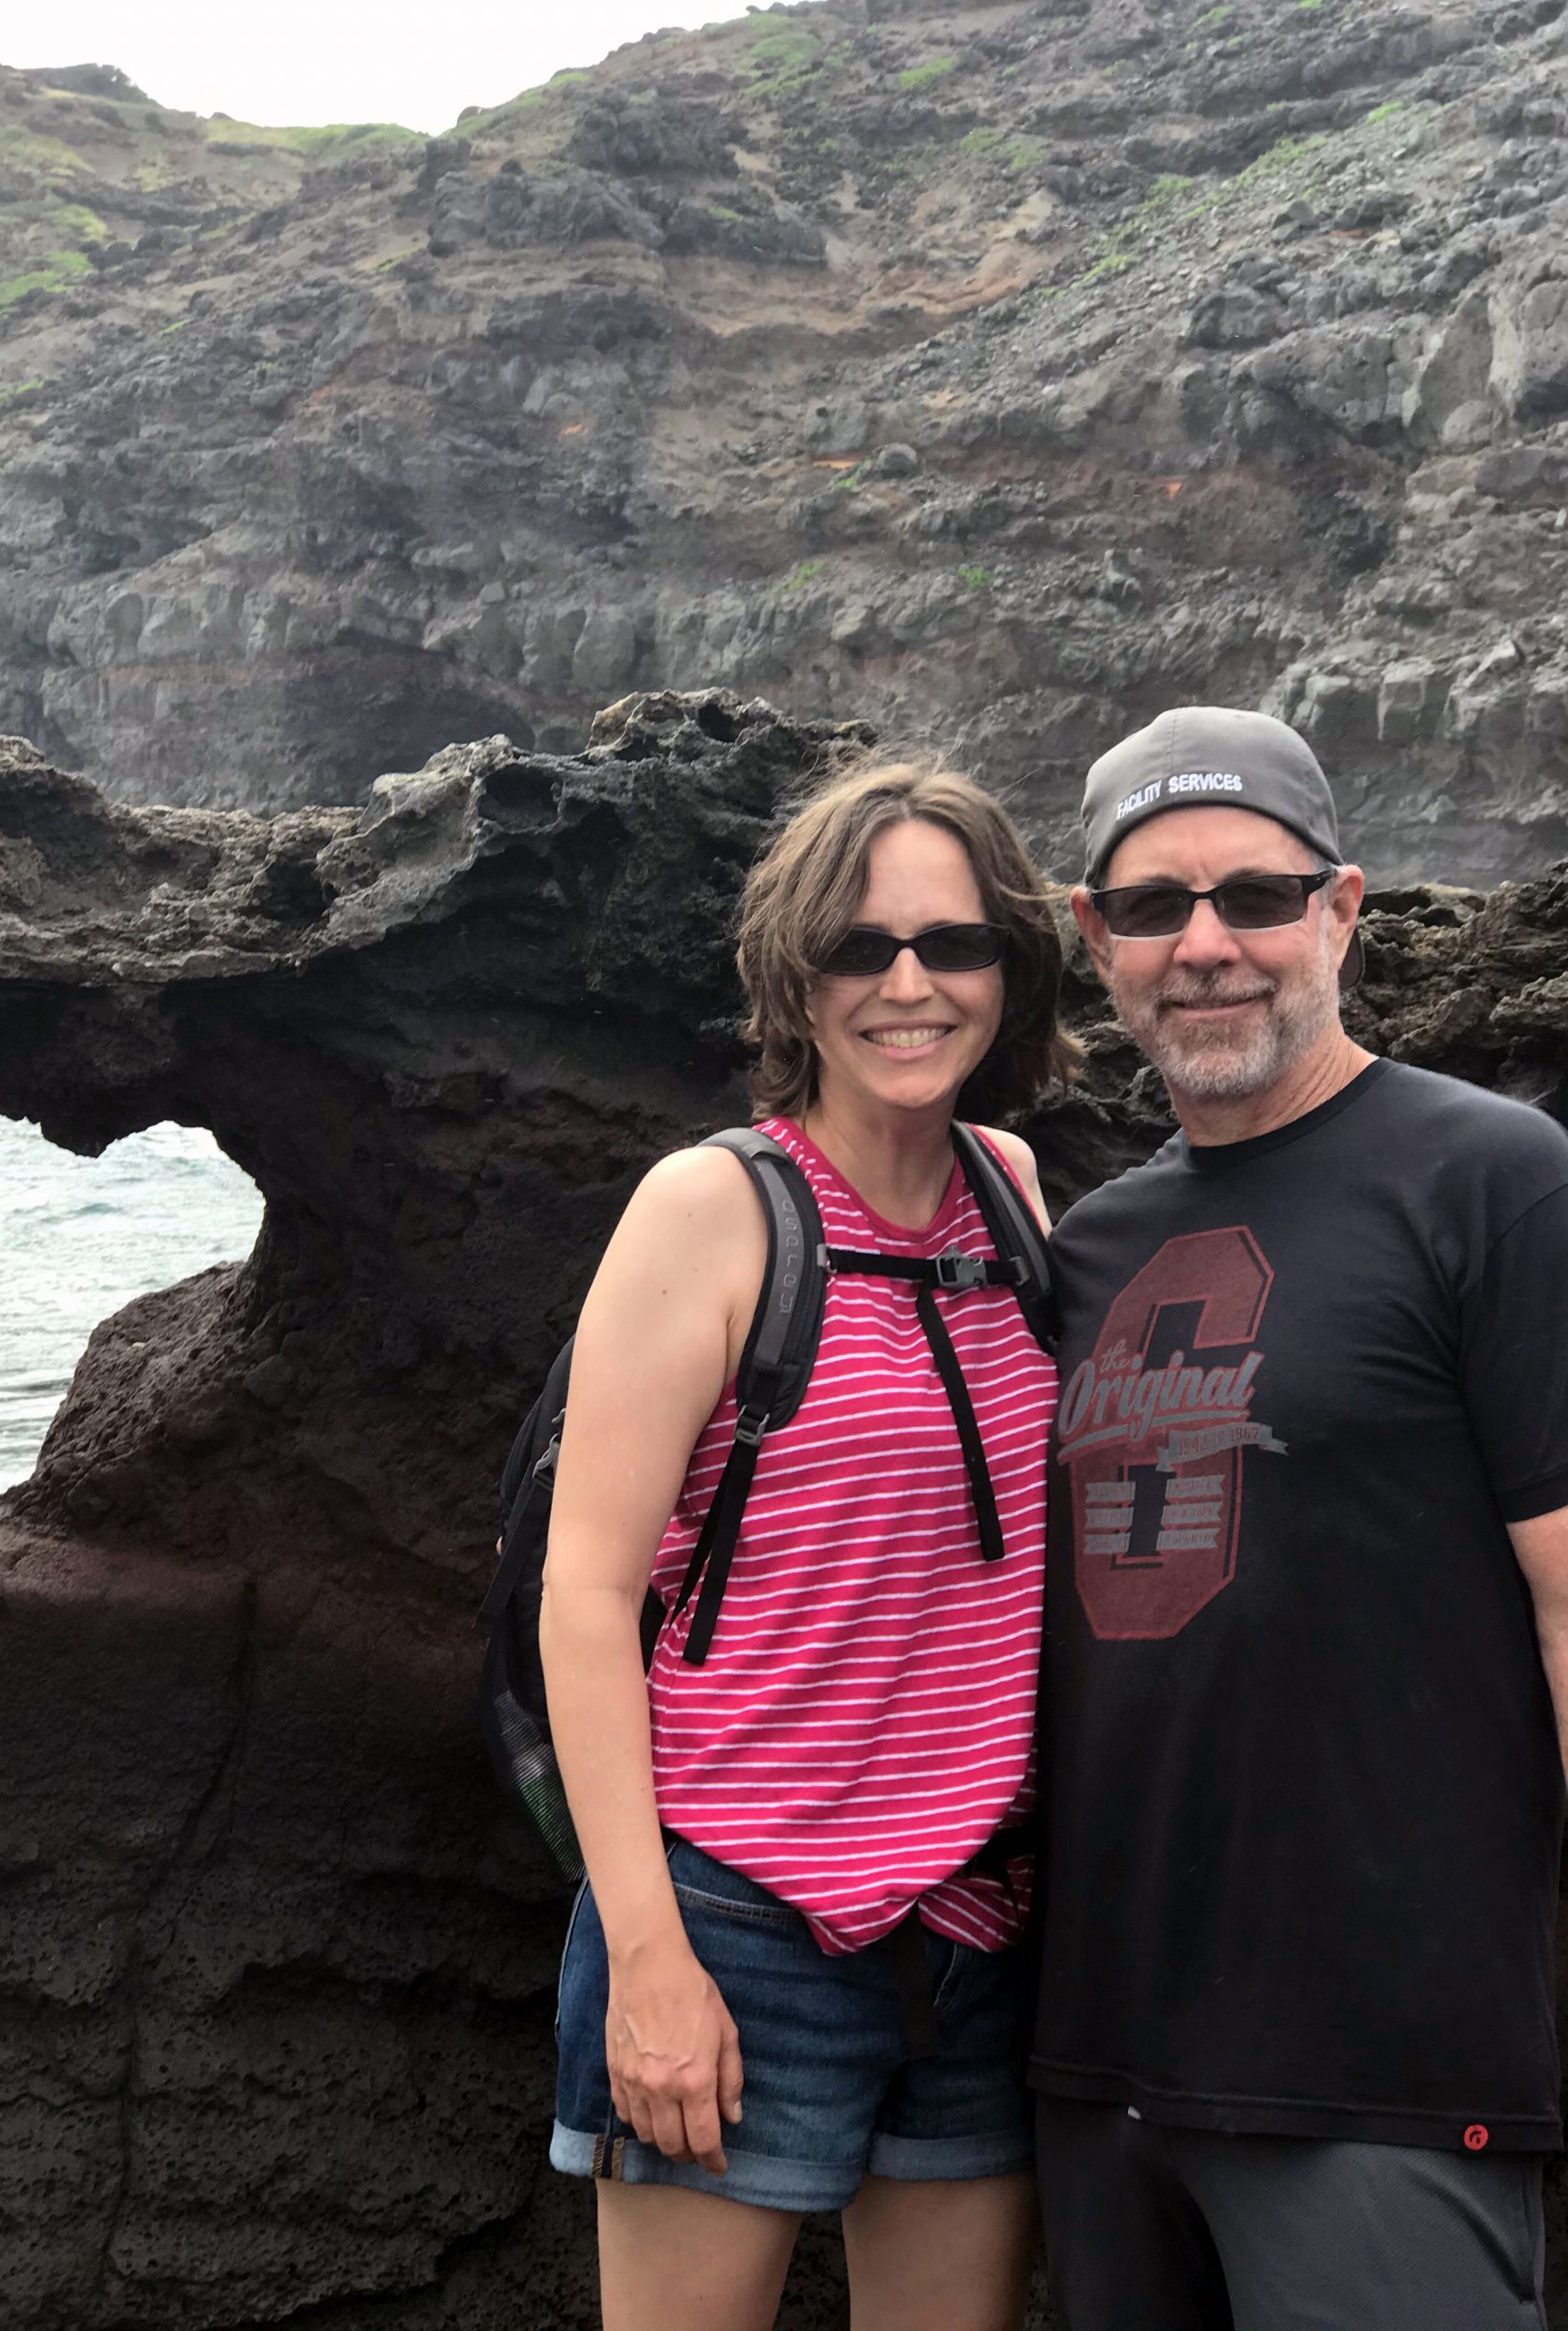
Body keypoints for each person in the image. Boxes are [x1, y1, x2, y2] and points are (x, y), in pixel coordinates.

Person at [1033, 705, 1568, 2330]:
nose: (1205, 947)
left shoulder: (1495, 1180)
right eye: (1150, 907)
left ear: (1341, 907)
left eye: (1254, 897)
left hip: (1389, 2072)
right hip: (1097, 2062)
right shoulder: (1088, 1250)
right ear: (1092, 942)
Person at [538, 757, 1075, 2331]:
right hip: (733, 1926)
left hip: (983, 1926)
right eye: (858, 949)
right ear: (797, 972)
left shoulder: (1018, 1197)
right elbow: (583, 1597)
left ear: (1010, 967)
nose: (907, 986)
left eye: (950, 945)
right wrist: (646, 1959)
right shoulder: (713, 1210)